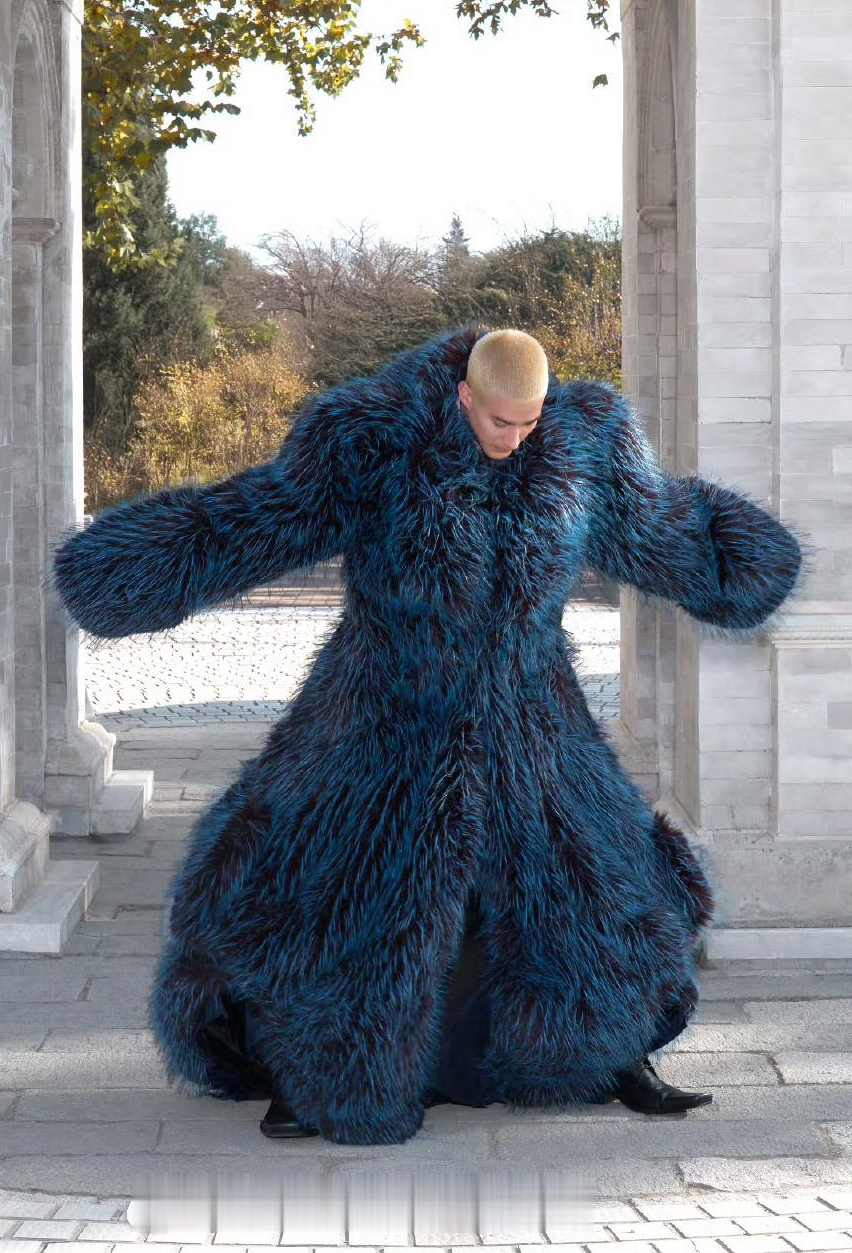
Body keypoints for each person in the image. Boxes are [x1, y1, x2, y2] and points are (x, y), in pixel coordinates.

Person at [48, 325, 805, 1145]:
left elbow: (658, 526)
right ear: (464, 395)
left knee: (597, 883)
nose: (516, 438)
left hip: (533, 715)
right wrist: (132, 568)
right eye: (501, 421)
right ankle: (313, 1069)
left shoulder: (587, 441)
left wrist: (743, 563)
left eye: (531, 422)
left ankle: (611, 1056)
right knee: (335, 889)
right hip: (382, 711)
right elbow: (261, 517)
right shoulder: (370, 438)